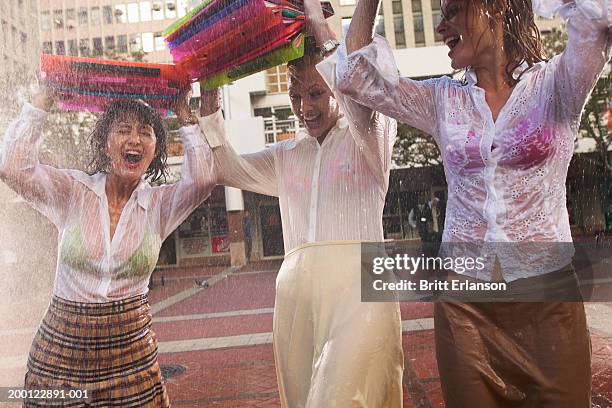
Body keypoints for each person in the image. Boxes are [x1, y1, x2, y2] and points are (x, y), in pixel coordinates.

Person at [332, 0, 611, 406]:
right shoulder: (443, 100)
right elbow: (354, 74)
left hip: (549, 306)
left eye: (454, 11)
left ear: (495, 8)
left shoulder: (557, 85)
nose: (442, 28)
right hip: (465, 308)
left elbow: (599, 16)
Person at [195, 3, 403, 406]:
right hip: (293, 301)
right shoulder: (286, 155)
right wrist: (209, 111)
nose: (305, 108)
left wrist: (324, 36)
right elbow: (226, 170)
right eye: (295, 95)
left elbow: (359, 87)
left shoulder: (371, 137)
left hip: (359, 292)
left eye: (315, 93)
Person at [0, 87, 216, 407]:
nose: (134, 139)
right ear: (105, 142)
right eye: (123, 130)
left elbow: (203, 179)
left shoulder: (159, 205)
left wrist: (182, 111)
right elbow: (12, 168)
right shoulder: (73, 191)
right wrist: (44, 98)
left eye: (145, 133)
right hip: (60, 351)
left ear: (155, 151)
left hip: (131, 353)